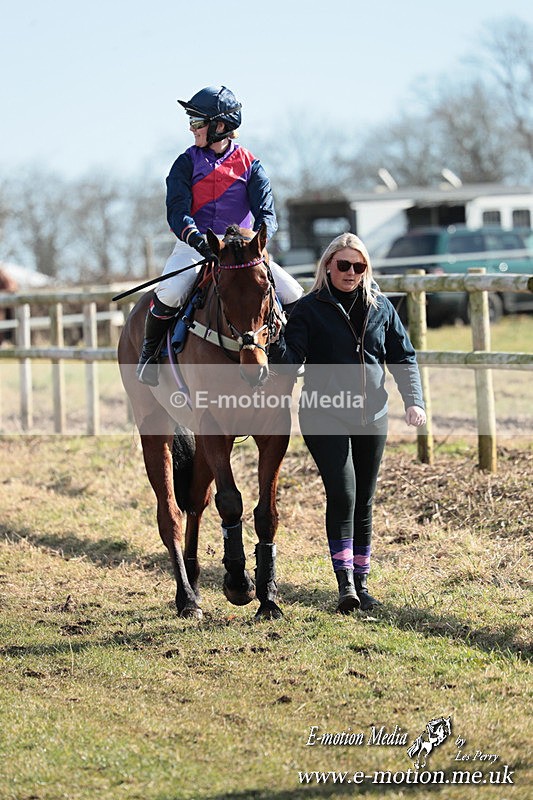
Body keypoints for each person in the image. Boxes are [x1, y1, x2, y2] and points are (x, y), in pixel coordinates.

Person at [270, 232, 426, 613]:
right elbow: (289, 363)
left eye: (359, 266)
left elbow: (402, 357)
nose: (351, 272)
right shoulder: (308, 309)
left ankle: (362, 581)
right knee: (344, 494)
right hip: (324, 413)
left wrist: (414, 401)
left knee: (365, 500)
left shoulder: (382, 308)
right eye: (344, 265)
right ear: (328, 266)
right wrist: (275, 342)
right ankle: (345, 587)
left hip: (372, 416)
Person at [137, 85, 303, 385]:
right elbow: (177, 211)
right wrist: (198, 240)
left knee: (293, 294)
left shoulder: (251, 164)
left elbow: (267, 213)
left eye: (197, 122)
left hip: (244, 249)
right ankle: (149, 356)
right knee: (171, 292)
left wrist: (256, 241)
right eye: (192, 122)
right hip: (196, 245)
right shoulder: (184, 163)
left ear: (220, 126)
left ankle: (292, 354)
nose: (192, 128)